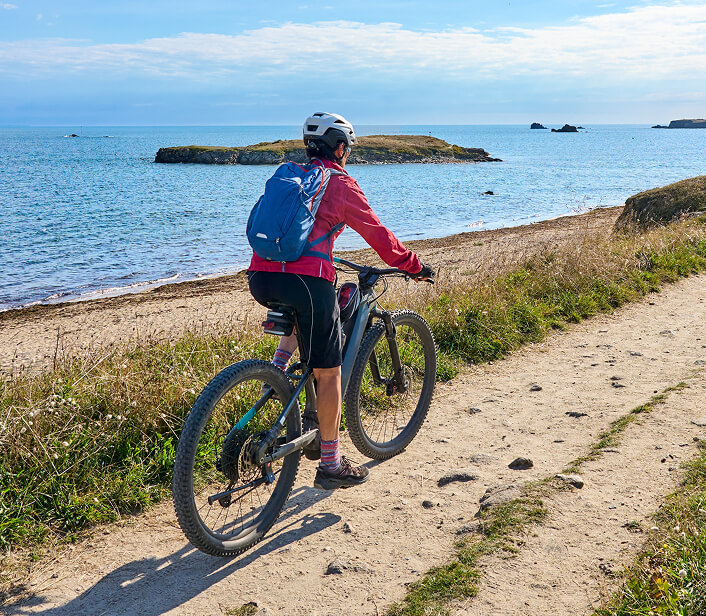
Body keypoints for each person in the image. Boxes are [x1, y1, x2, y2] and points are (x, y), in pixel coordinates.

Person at [247, 112, 434, 490]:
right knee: (329, 372)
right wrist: (413, 266)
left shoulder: (288, 175)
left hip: (260, 275)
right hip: (306, 281)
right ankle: (331, 463)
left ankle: (277, 377)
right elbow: (381, 238)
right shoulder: (340, 183)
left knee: (308, 316)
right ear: (341, 148)